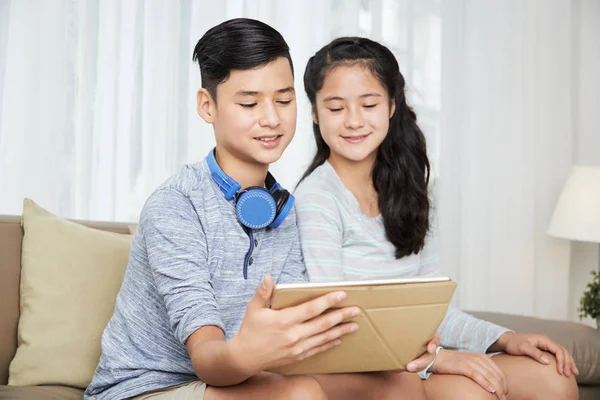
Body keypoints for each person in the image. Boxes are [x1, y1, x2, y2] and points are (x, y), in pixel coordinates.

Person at [85, 20, 431, 400]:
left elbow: (302, 341)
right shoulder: (175, 206)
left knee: (399, 385)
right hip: (152, 386)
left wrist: (404, 349)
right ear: (207, 106)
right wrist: (251, 348)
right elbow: (207, 359)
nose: (271, 118)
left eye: (283, 100)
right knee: (298, 394)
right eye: (249, 103)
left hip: (247, 375)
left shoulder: (284, 210)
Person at [295, 36, 580, 400]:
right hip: (364, 367)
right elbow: (335, 322)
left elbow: (433, 313)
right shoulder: (317, 198)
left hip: (419, 357)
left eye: (369, 104)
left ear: (392, 105)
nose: (353, 121)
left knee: (555, 378)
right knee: (472, 394)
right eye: (336, 109)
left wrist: (506, 338)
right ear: (316, 114)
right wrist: (439, 360)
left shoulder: (411, 190)